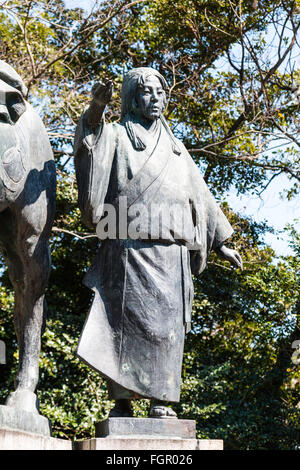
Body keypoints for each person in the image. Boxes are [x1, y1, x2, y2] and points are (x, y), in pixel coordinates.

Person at [74, 67, 242, 418]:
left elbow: (202, 197)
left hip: (171, 255)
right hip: (127, 249)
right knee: (120, 327)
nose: (155, 99)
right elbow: (91, 138)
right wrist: (95, 109)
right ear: (131, 99)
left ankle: (161, 401)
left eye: (161, 92)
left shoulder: (177, 149)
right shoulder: (118, 136)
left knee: (166, 330)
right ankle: (121, 401)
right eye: (146, 92)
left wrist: (220, 242)